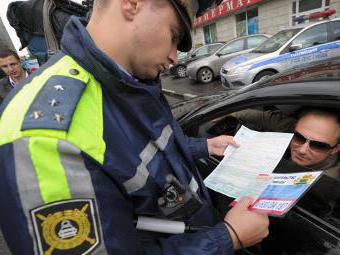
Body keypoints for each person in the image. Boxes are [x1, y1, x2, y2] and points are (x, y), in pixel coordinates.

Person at [0, 0, 269, 254]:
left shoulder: (128, 81)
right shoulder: (42, 138)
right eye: (174, 35)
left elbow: (144, 153)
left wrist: (203, 146)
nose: (176, 56)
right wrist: (227, 237)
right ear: (132, 3)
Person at [226, 108, 340, 178]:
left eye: (318, 145)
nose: (302, 150)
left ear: (335, 149)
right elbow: (265, 118)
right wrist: (232, 113)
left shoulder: (327, 181)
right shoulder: (298, 128)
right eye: (299, 138)